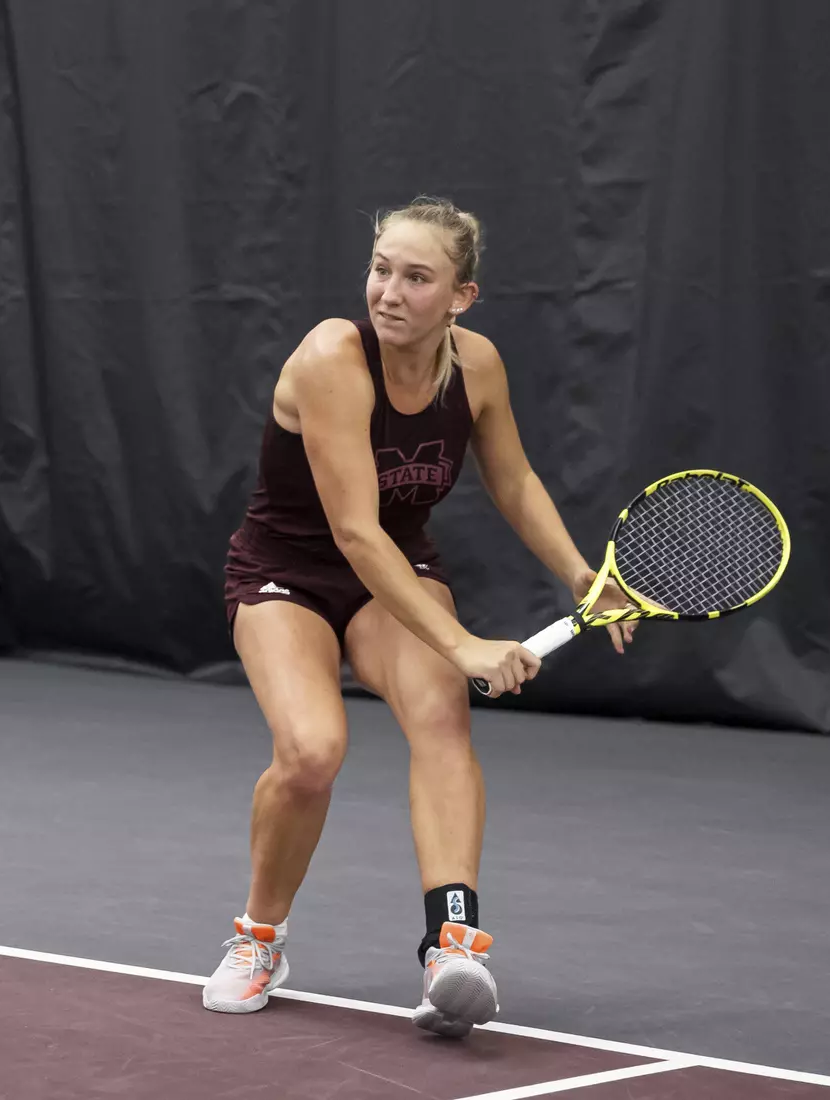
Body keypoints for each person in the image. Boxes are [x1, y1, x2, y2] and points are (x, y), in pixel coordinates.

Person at [206, 196, 635, 1037]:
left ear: (461, 297)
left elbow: (511, 480)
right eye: (380, 269)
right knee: (311, 752)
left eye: (416, 277)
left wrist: (587, 575)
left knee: (441, 717)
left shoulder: (477, 366)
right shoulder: (332, 356)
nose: (389, 292)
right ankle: (259, 937)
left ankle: (453, 943)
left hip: (396, 573)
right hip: (287, 572)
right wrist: (465, 642)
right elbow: (355, 532)